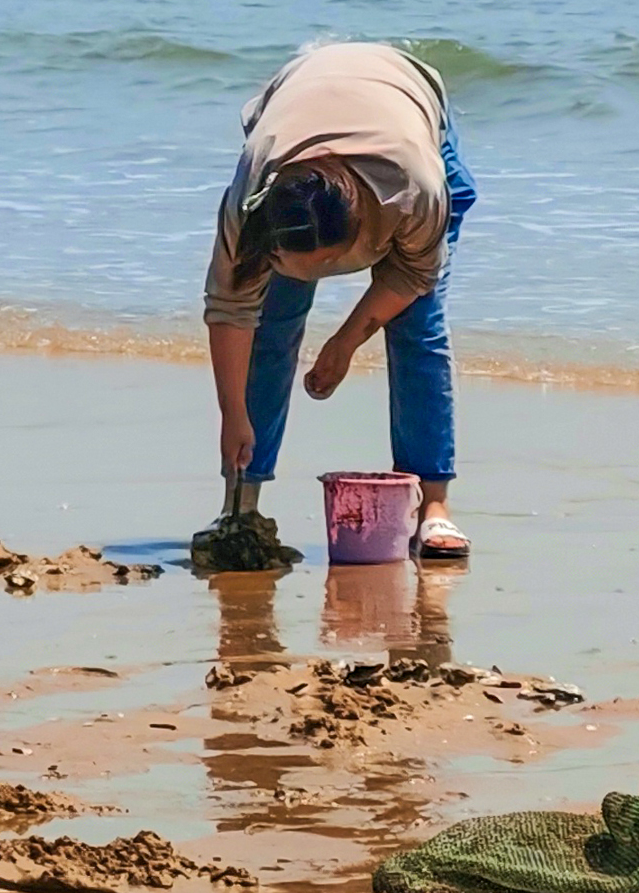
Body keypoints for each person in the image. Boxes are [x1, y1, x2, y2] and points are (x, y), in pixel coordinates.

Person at [200, 40, 475, 559]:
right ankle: (242, 501)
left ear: (359, 240)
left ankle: (434, 506)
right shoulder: (252, 202)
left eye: (328, 266)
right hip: (299, 99)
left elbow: (413, 274)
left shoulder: (414, 191)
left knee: (417, 325)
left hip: (408, 104)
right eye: (294, 266)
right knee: (273, 321)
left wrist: (346, 341)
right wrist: (232, 414)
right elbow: (230, 310)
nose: (319, 278)